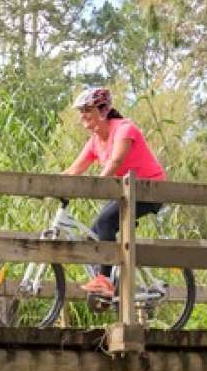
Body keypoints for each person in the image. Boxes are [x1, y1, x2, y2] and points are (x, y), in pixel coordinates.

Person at [61, 86, 167, 298]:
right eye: (81, 111)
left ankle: (105, 282)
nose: (82, 115)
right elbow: (74, 170)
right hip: (127, 191)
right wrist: (49, 185)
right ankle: (115, 282)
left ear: (102, 110)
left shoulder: (124, 130)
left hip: (150, 189)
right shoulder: (94, 140)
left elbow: (115, 161)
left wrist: (97, 185)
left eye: (87, 110)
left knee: (104, 223)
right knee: (94, 236)